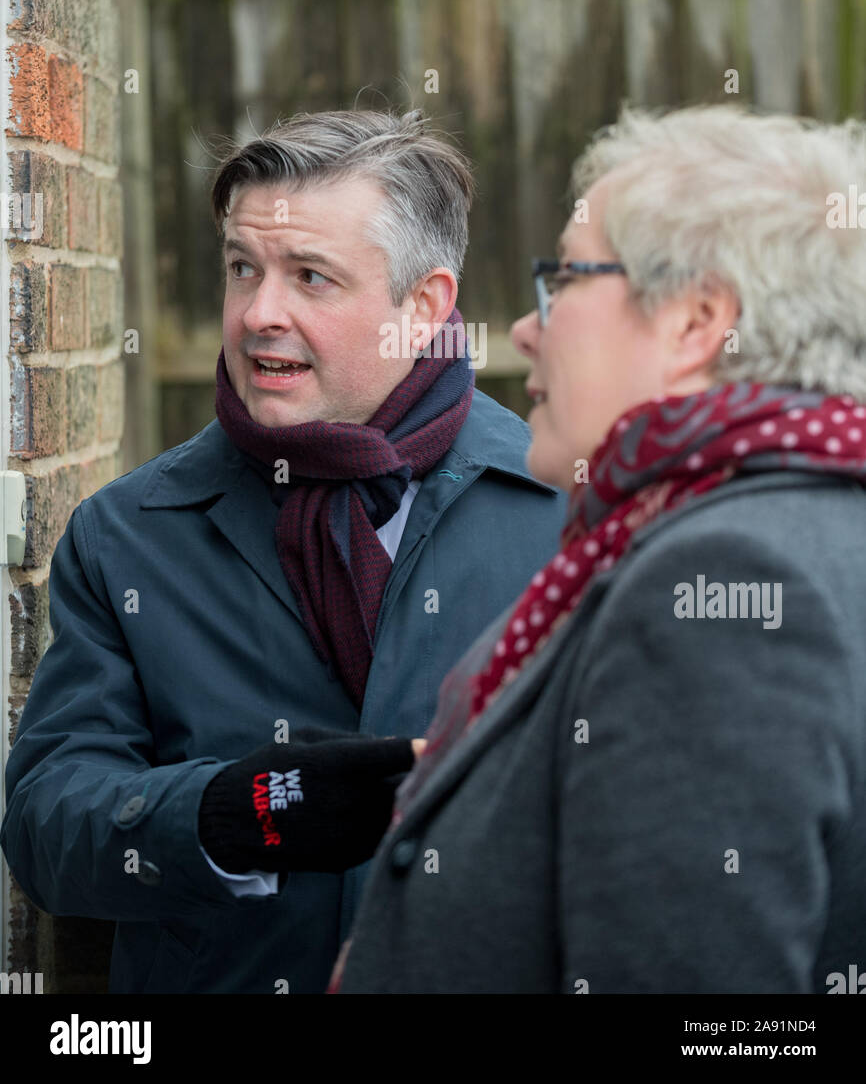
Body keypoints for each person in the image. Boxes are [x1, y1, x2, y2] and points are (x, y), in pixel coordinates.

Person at [0, 108, 566, 994]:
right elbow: (44, 830)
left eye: (311, 277)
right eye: (242, 269)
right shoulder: (130, 534)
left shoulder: (565, 510)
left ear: (423, 308)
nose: (261, 313)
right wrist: (232, 814)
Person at [334, 103, 866, 994]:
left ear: (698, 322)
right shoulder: (812, 517)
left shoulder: (719, 583)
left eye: (567, 278)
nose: (528, 327)